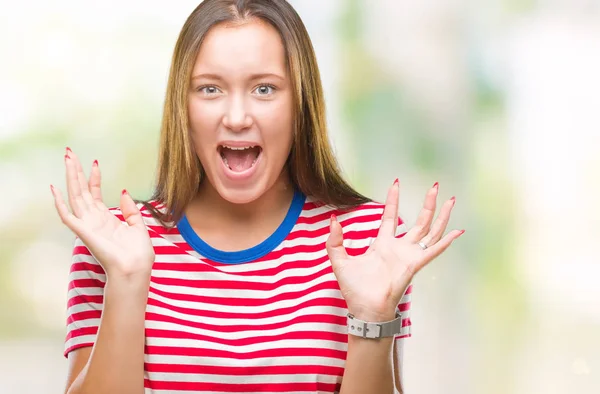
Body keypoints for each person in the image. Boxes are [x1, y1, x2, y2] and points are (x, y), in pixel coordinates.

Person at [51, 1, 464, 393]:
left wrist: (373, 317)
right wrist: (125, 282)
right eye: (210, 89)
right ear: (183, 105)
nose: (236, 117)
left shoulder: (369, 241)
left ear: (299, 103)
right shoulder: (116, 244)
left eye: (264, 89)